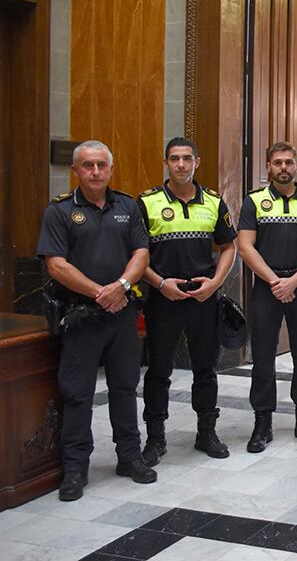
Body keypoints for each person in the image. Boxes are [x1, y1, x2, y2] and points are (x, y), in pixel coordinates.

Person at [37, 140, 156, 501]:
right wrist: (98, 292)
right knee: (77, 395)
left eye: (101, 165)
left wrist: (120, 287)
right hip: (81, 317)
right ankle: (75, 469)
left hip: (121, 314)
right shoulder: (59, 211)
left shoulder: (127, 205)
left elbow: (142, 252)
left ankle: (129, 457)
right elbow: (56, 264)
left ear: (111, 168)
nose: (95, 172)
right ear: (76, 170)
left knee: (124, 387)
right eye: (87, 165)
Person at [138, 138, 237, 465]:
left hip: (203, 298)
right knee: (158, 371)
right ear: (166, 162)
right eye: (174, 159)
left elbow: (228, 248)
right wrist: (161, 283)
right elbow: (136, 255)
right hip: (163, 299)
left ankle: (206, 432)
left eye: (186, 159)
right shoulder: (147, 202)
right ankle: (155, 438)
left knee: (206, 369)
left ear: (197, 161)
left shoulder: (213, 201)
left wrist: (216, 283)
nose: (181, 164)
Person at [237, 142, 297, 452]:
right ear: (268, 166)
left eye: (289, 162)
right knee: (263, 356)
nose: (284, 167)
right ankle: (263, 421)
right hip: (267, 285)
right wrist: (276, 281)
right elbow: (245, 246)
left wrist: (294, 281)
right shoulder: (253, 202)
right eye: (277, 162)